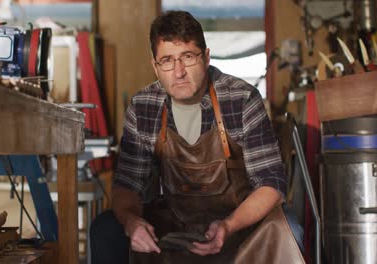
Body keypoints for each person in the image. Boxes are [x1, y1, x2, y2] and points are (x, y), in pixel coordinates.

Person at [91, 10, 304, 264]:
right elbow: (127, 185)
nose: (178, 71)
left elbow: (272, 185)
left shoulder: (241, 98)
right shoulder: (144, 106)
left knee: (291, 228)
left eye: (188, 57)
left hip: (240, 224)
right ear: (155, 66)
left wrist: (228, 225)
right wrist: (132, 223)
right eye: (167, 60)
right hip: (173, 223)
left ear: (206, 56)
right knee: (106, 229)